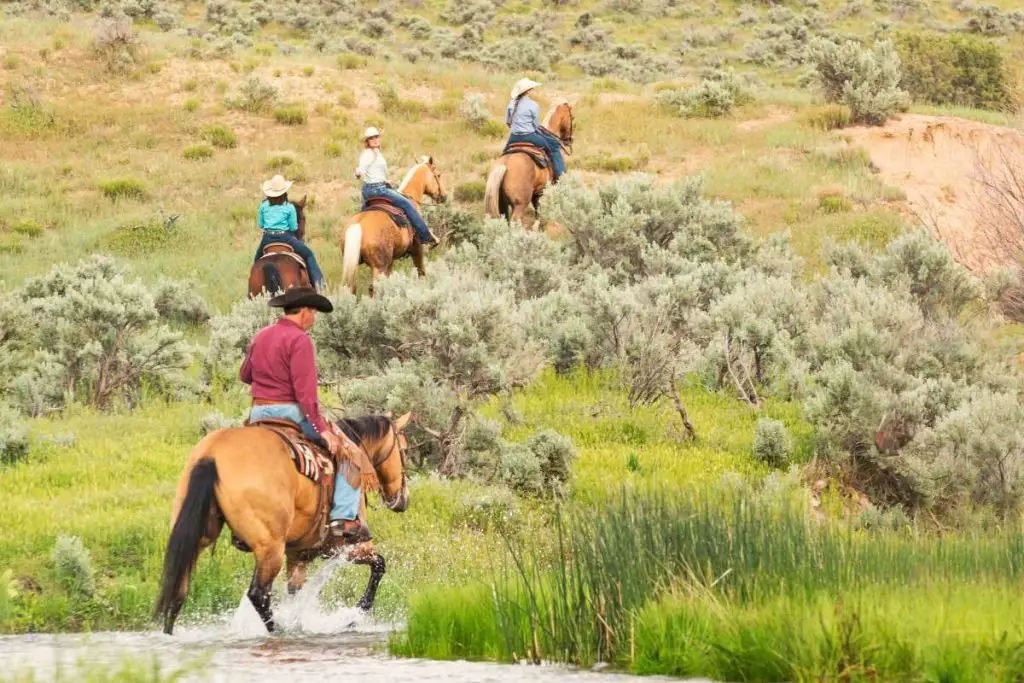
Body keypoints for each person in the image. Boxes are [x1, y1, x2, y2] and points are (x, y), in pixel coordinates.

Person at [240, 287, 371, 543]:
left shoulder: (261, 335)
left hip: (257, 413)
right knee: (351, 454)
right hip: (289, 412)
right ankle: (343, 518)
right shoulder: (300, 340)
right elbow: (306, 395)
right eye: (314, 313)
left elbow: (245, 375)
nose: (315, 318)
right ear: (305, 312)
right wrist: (322, 429)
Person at [355, 127, 438, 246]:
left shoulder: (375, 153)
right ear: (367, 141)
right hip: (379, 190)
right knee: (407, 204)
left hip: (369, 190)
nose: (375, 140)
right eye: (371, 138)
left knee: (363, 214)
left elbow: (373, 172)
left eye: (376, 137)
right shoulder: (368, 154)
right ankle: (426, 236)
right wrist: (358, 173)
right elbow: (361, 170)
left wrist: (385, 180)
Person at [254, 175, 325, 291]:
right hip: (286, 238)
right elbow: (293, 227)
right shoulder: (290, 207)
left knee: (257, 261)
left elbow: (261, 225)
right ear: (284, 192)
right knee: (308, 254)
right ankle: (319, 285)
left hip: (267, 239)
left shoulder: (263, 206)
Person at [504, 78, 565, 183]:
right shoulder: (533, 105)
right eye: (531, 88)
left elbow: (508, 122)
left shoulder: (511, 104)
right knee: (554, 145)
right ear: (527, 91)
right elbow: (535, 126)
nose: (533, 89)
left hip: (513, 137)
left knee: (504, 154)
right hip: (530, 136)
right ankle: (561, 178)